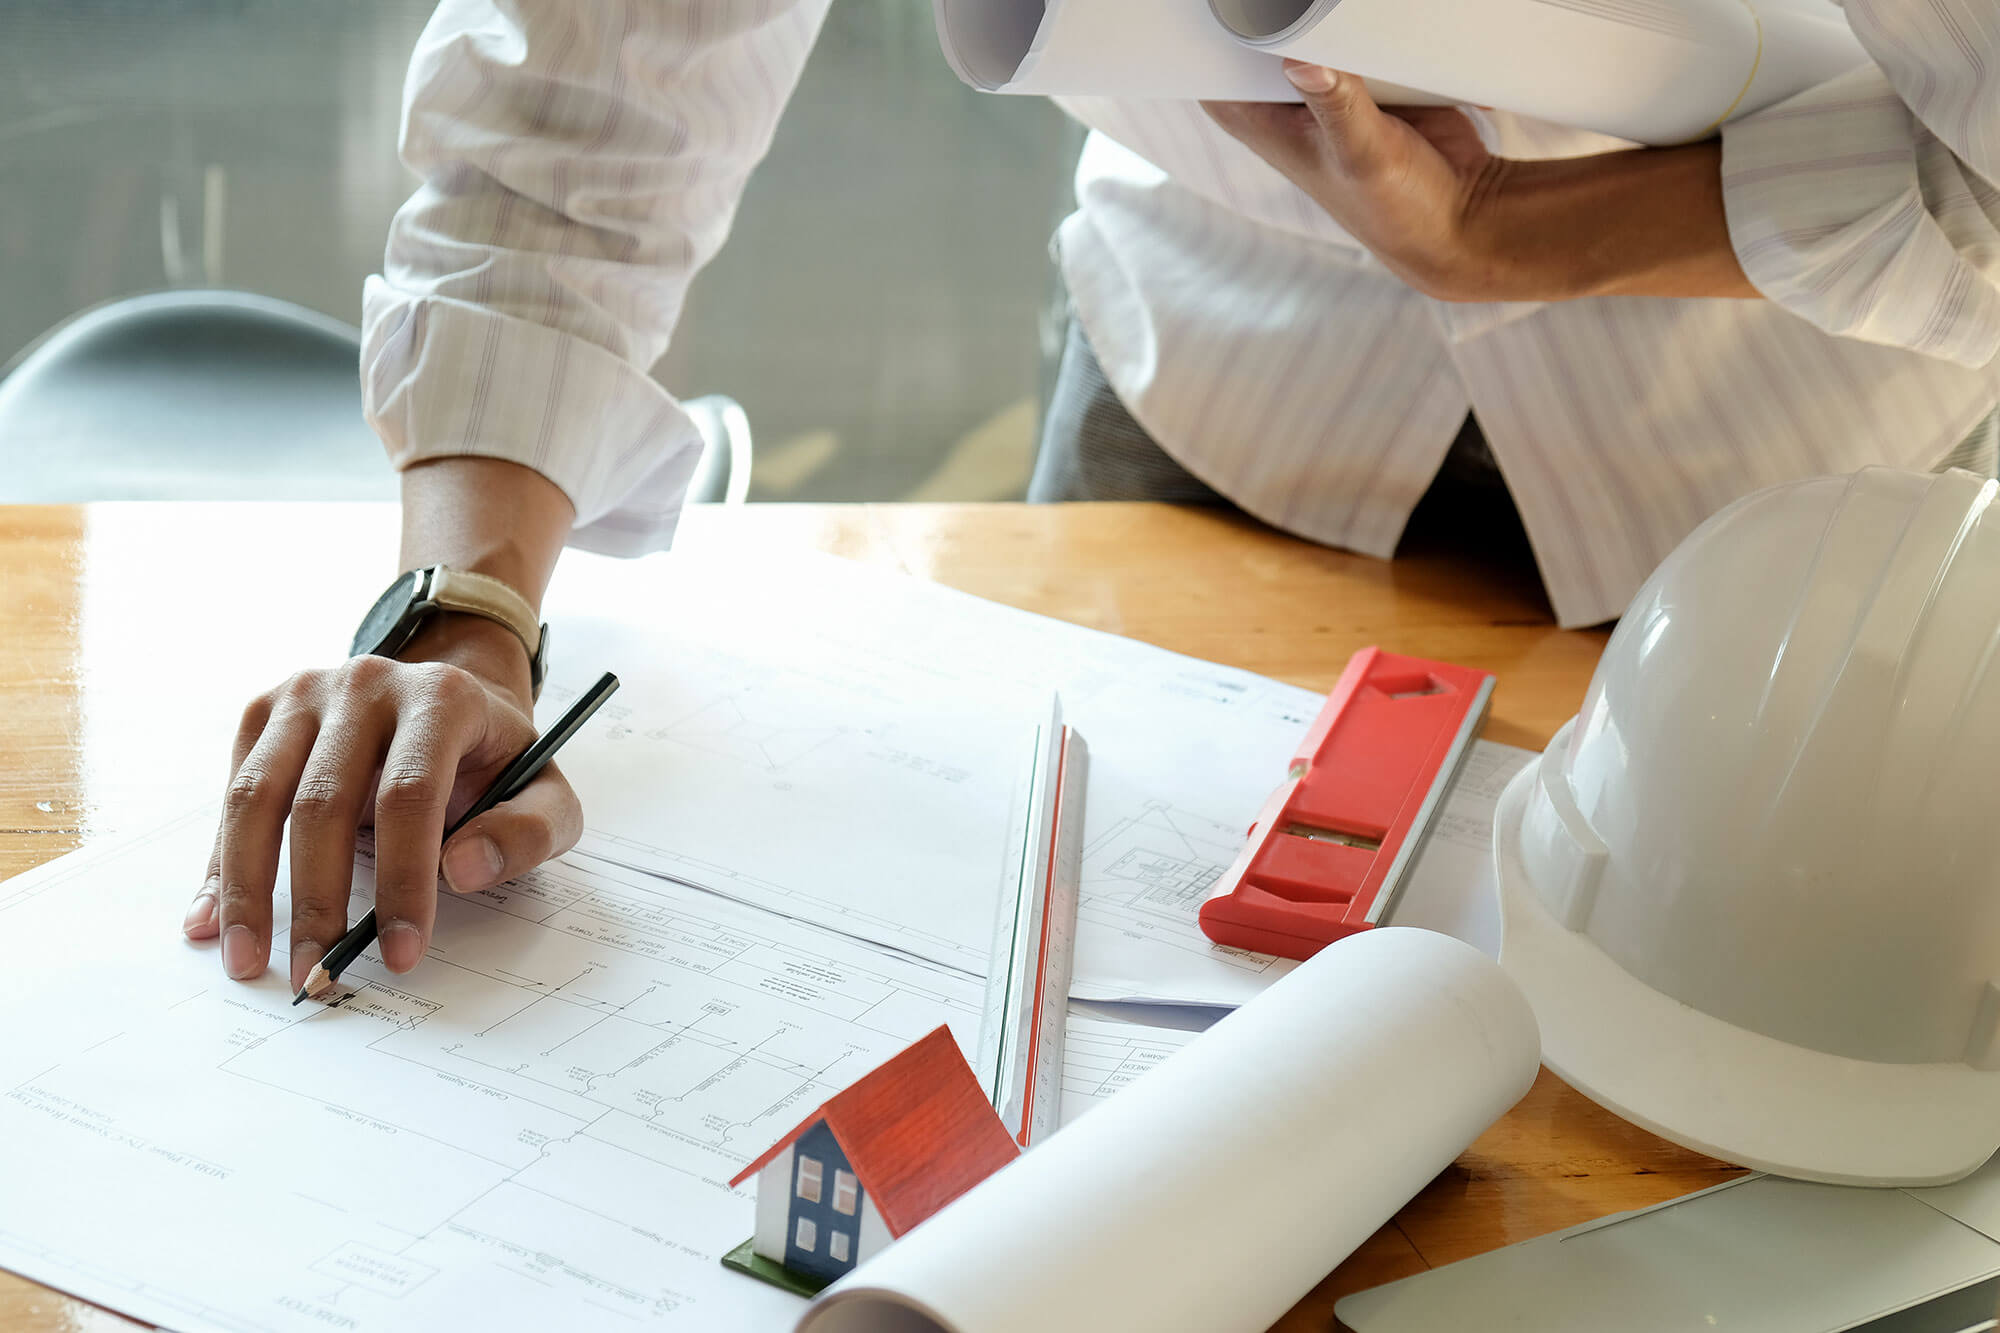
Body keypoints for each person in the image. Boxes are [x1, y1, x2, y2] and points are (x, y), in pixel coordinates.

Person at [183, 0, 2000, 992]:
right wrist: (471, 610)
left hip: (1792, 460)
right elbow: (587, 88)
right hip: (1204, 407)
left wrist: (1525, 238)